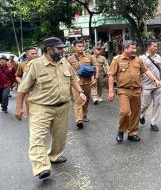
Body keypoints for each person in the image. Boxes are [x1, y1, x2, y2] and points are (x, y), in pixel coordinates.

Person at [15, 37, 86, 180]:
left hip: (62, 107)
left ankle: (54, 156)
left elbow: (73, 79)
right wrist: (18, 108)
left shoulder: (64, 62)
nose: (62, 51)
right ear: (49, 49)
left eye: (62, 48)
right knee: (37, 138)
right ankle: (41, 167)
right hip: (41, 108)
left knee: (60, 137)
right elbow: (22, 89)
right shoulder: (35, 65)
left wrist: (81, 92)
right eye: (59, 48)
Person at [108, 40, 161, 143]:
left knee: (135, 113)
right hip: (124, 90)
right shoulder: (117, 60)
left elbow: (146, 71)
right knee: (125, 112)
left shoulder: (138, 60)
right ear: (125, 48)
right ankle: (121, 130)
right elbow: (111, 75)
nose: (134, 50)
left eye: (135, 48)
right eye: (132, 48)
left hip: (136, 90)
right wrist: (110, 91)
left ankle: (132, 133)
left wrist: (155, 80)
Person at [66, 40, 98, 129]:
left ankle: (84, 114)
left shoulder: (89, 57)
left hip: (87, 82)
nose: (81, 48)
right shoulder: (69, 59)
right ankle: (78, 119)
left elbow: (95, 67)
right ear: (74, 47)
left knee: (86, 100)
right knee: (78, 101)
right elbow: (66, 71)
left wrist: (95, 78)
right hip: (76, 84)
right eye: (79, 46)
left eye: (82, 46)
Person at [139, 40, 161, 131]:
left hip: (157, 85)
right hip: (146, 85)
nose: (156, 48)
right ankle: (141, 115)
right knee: (145, 104)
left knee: (157, 104)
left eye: (156, 46)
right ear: (148, 47)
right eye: (154, 46)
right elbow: (138, 72)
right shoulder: (142, 58)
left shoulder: (158, 57)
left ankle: (154, 123)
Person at [15, 47, 39, 116]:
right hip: (28, 90)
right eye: (32, 54)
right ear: (27, 55)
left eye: (36, 53)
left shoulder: (42, 64)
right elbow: (17, 76)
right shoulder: (22, 65)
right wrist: (22, 83)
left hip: (41, 89)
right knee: (30, 107)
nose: (35, 55)